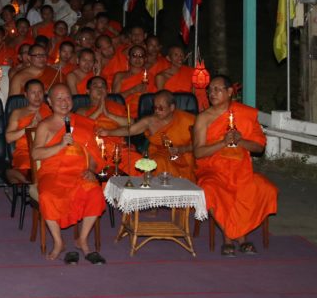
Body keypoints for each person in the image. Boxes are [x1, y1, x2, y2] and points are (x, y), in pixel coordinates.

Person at [194, 76, 278, 256]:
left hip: (242, 170)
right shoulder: (203, 118)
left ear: (230, 91)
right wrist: (222, 143)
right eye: (210, 90)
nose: (212, 93)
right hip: (212, 169)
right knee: (212, 189)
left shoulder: (246, 114)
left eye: (218, 89)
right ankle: (235, 238)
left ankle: (233, 235)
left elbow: (259, 147)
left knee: (265, 189)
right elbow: (198, 153)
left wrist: (241, 140)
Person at [32, 85, 107, 264]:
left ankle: (82, 239)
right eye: (58, 99)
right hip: (53, 173)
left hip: (80, 172)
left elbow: (94, 155)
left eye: (67, 98)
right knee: (47, 196)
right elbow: (36, 154)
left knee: (95, 193)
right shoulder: (45, 125)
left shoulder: (83, 123)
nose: (64, 102)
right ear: (49, 102)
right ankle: (58, 242)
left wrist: (92, 170)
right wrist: (60, 146)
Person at [99, 90, 195, 179]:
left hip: (184, 156)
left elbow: (198, 144)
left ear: (172, 107)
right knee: (157, 162)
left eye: (161, 108)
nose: (157, 111)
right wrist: (108, 132)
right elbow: (130, 130)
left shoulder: (188, 120)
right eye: (155, 108)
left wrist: (181, 149)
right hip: (160, 154)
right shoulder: (150, 121)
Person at [78, 77, 141, 175]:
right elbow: (80, 128)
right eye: (95, 86)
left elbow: (131, 123)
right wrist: (99, 110)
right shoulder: (82, 111)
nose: (100, 88)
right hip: (94, 151)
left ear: (107, 91)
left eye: (102, 86)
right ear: (87, 91)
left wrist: (108, 114)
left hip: (118, 150)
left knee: (137, 162)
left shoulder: (116, 107)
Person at [5, 80, 50, 176]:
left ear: (44, 93)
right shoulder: (17, 113)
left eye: (40, 92)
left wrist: (44, 124)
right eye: (33, 93)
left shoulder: (50, 110)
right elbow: (8, 138)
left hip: (46, 150)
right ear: (25, 94)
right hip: (25, 152)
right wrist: (28, 127)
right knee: (30, 167)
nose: (37, 96)